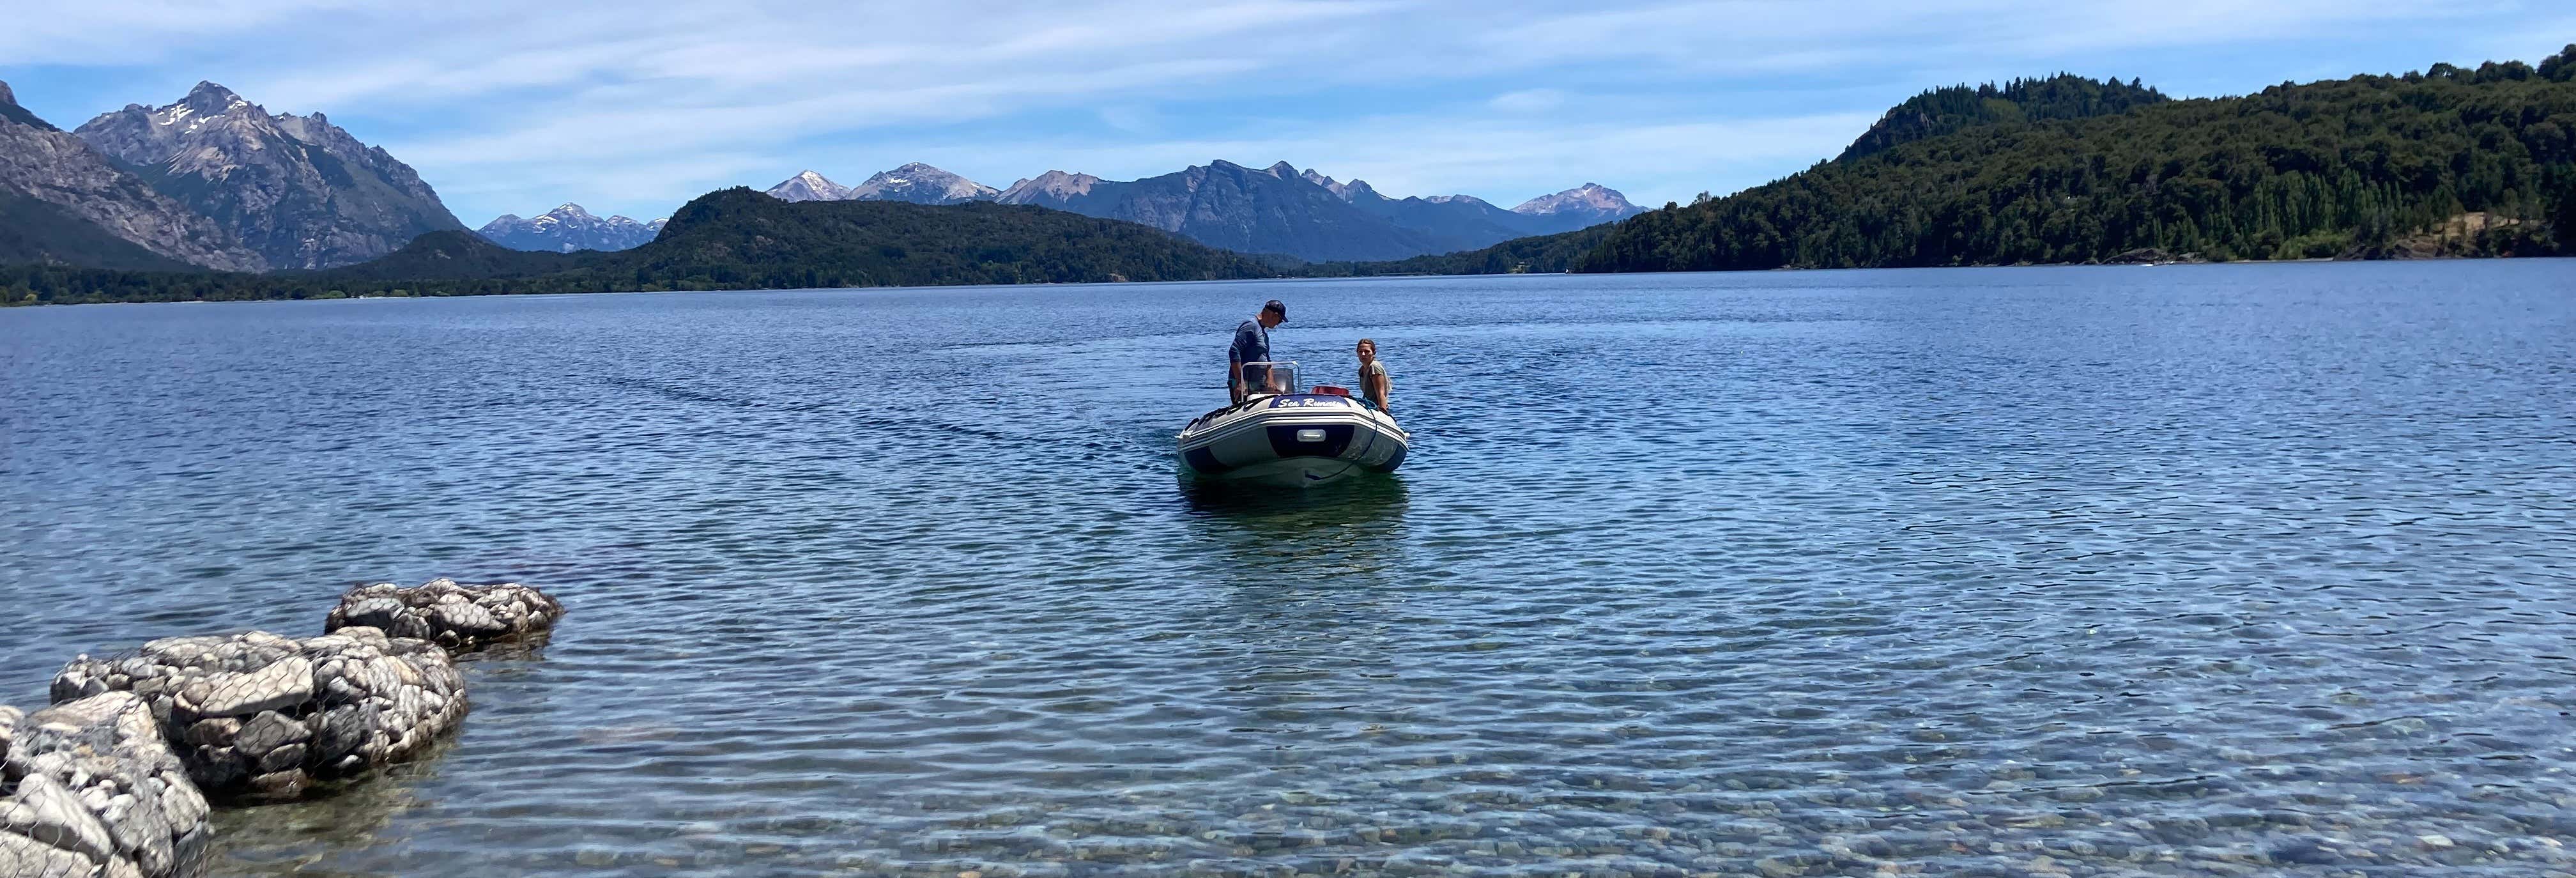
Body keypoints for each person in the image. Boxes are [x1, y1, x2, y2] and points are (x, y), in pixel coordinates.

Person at [1229, 299, 1287, 404]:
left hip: (1258, 383)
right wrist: (1240, 381)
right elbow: (1234, 351)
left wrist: (1270, 378)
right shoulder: (1251, 326)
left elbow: (1267, 359)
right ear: (1274, 315)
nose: (1278, 324)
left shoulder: (1264, 334)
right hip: (1245, 383)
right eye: (1279, 321)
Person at [1356, 338, 1392, 413]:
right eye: (1360, 352)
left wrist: (1383, 414)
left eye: (1367, 352)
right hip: (1369, 407)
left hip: (1377, 409)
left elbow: (1381, 394)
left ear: (1374, 353)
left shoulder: (1374, 367)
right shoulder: (1362, 370)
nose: (1363, 354)